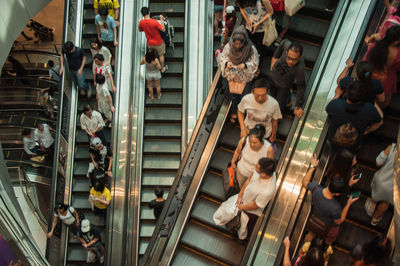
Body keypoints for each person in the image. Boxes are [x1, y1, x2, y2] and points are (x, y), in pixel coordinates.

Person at [302, 154, 359, 245]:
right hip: (327, 225)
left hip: (315, 219)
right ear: (337, 194)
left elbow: (305, 182)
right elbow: (339, 221)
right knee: (330, 237)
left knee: (310, 235)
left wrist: (313, 166)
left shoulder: (316, 189)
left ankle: (301, 253)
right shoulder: (335, 207)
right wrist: (348, 203)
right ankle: (324, 244)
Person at [220, 25, 259, 122]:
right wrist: (227, 63)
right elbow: (223, 58)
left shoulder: (250, 49)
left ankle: (244, 116)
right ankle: (235, 112)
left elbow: (254, 63)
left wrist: (245, 65)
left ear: (244, 42)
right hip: (233, 77)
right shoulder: (228, 47)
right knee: (234, 96)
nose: (237, 46)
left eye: (239, 44)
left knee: (245, 97)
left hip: (244, 78)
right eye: (235, 43)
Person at [326, 82, 383, 147]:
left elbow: (328, 109)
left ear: (346, 94)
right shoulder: (369, 109)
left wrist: (337, 95)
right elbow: (379, 123)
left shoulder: (335, 105)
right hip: (355, 142)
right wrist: (367, 131)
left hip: (334, 139)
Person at [236, 157, 277, 239]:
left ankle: (243, 238)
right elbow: (249, 179)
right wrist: (240, 195)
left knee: (245, 229)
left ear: (264, 174)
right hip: (242, 201)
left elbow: (255, 205)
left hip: (249, 212)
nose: (255, 167)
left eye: (257, 167)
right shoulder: (260, 170)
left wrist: (241, 207)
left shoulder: (268, 190)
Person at [237, 76, 282, 141]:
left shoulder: (274, 104)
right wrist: (242, 129)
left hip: (264, 135)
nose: (260, 98)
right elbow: (240, 111)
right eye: (257, 95)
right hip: (248, 132)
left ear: (267, 92)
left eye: (263, 95)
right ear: (252, 92)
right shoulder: (246, 99)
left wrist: (273, 134)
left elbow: (275, 121)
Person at [270, 40, 306, 118]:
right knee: (271, 100)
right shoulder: (287, 45)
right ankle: (288, 98)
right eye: (289, 58)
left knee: (277, 109)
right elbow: (283, 42)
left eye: (294, 59)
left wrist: (297, 106)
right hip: (273, 78)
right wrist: (275, 57)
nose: (290, 61)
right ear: (286, 53)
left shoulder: (299, 69)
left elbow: (301, 86)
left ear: (300, 58)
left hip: (284, 87)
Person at [366, 25, 400, 108]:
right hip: (387, 81)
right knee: (383, 102)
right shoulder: (398, 53)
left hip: (370, 78)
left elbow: (367, 58)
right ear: (396, 42)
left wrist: (373, 37)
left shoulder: (376, 47)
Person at [364, 143, 396, 226]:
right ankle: (375, 219)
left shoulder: (392, 148)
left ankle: (371, 208)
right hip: (393, 188)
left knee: (376, 196)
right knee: (385, 203)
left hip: (380, 181)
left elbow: (378, 162)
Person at [138, 7, 167, 72]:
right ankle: (162, 69)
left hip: (150, 43)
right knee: (161, 55)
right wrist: (161, 19)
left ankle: (153, 68)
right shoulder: (154, 22)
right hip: (159, 42)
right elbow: (163, 29)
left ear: (142, 14)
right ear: (149, 12)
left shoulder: (141, 22)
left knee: (152, 56)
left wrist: (146, 29)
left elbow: (140, 30)